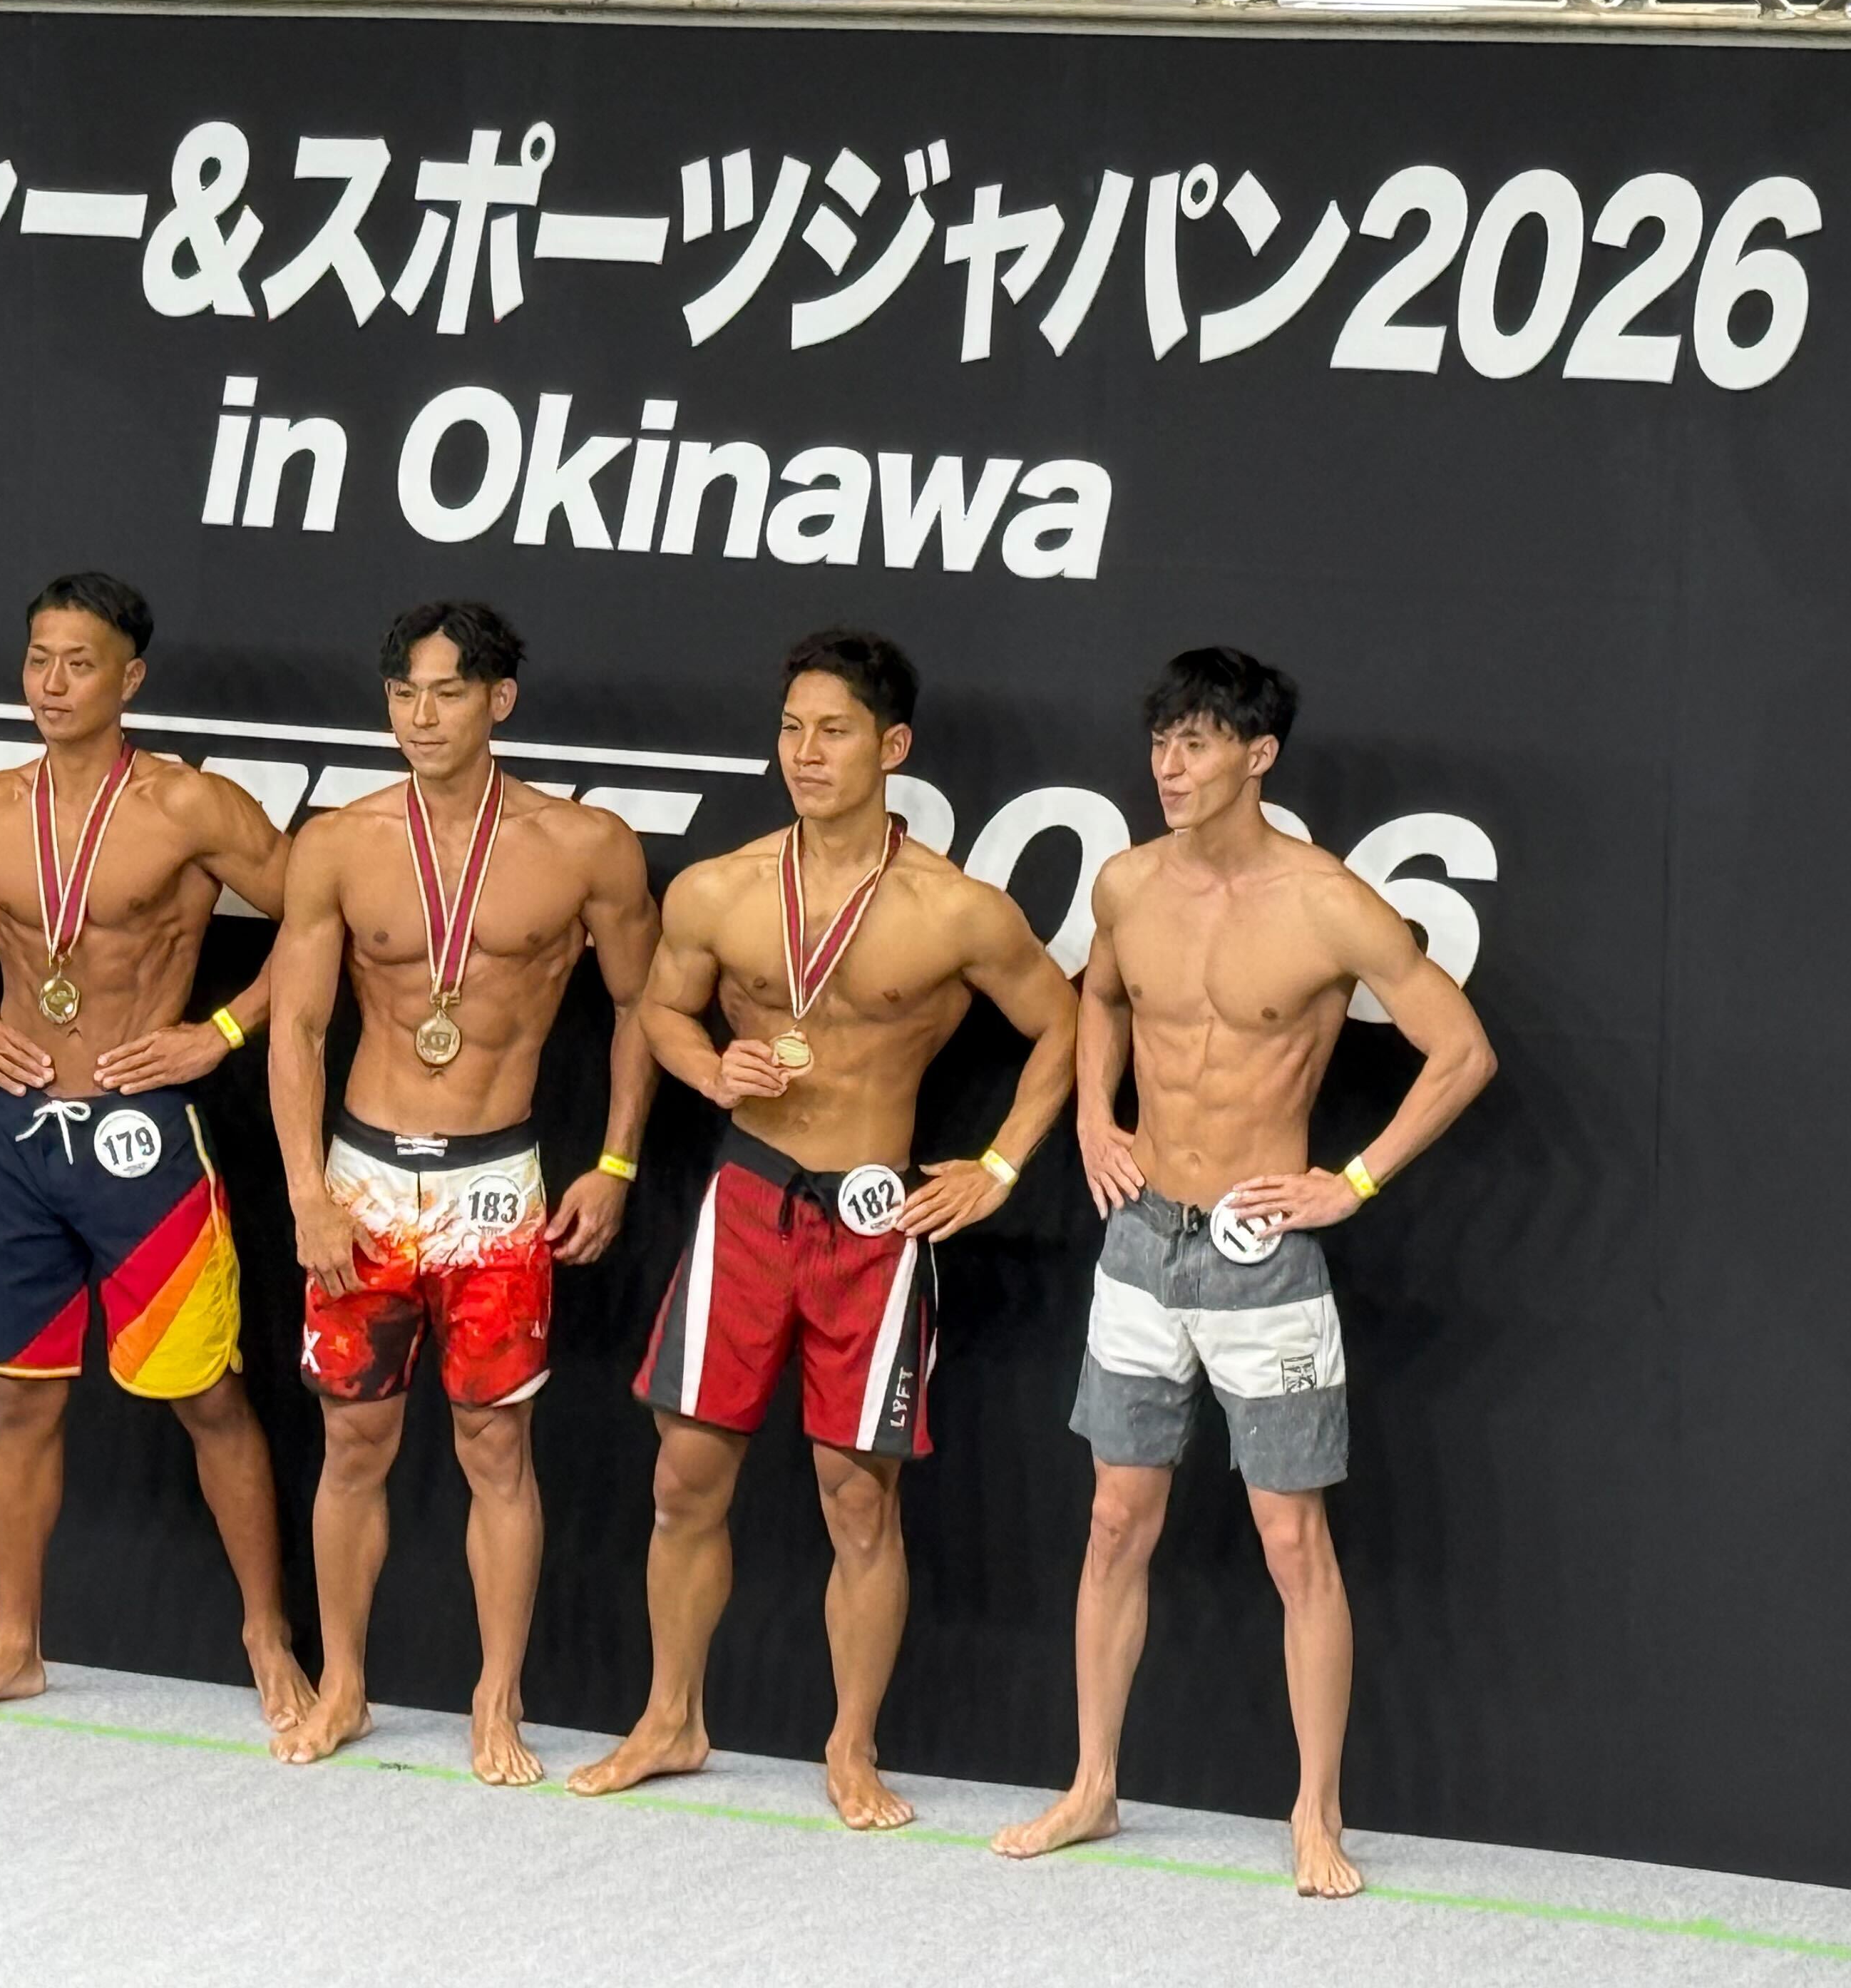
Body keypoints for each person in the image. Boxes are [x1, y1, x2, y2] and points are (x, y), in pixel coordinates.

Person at [992, 647, 1494, 1897]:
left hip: (1261, 1257)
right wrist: (1095, 1118)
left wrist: (1352, 1182)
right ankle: (1093, 1786)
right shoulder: (1126, 881)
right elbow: (1102, 999)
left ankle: (1317, 1813)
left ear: (1257, 755)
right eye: (1161, 741)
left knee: (1290, 1539)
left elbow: (1462, 1051)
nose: (1170, 766)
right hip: (1140, 1241)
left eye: (1199, 743)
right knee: (1115, 1519)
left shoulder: (1327, 902)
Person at [570, 629, 1077, 1828]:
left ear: (892, 747)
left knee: (857, 1498)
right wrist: (711, 1067)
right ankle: (672, 1718)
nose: (805, 752)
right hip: (749, 1198)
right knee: (684, 1478)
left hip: (872, 1218)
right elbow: (660, 1010)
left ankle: (852, 1747)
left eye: (834, 731)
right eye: (792, 729)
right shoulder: (721, 889)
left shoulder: (957, 909)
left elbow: (1066, 1027)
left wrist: (1000, 1165)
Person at [0, 571, 312, 1729]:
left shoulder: (192, 807)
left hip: (141, 1139)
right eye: (39, 660)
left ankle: (267, 1638)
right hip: (19, 1136)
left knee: (208, 1397)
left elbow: (324, 920)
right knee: (18, 1403)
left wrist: (220, 1033)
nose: (53, 684)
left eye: (80, 663)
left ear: (130, 677)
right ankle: (14, 1645)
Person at [266, 601, 660, 1785]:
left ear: (500, 699)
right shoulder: (340, 842)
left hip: (496, 1187)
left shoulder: (585, 845)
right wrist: (306, 1192)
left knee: (497, 1446)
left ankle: (498, 1698)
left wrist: (617, 1162)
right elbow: (298, 1027)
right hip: (364, 1180)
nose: (421, 718)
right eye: (404, 695)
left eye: (446, 693)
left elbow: (643, 1007)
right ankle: (344, 1685)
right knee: (353, 1442)